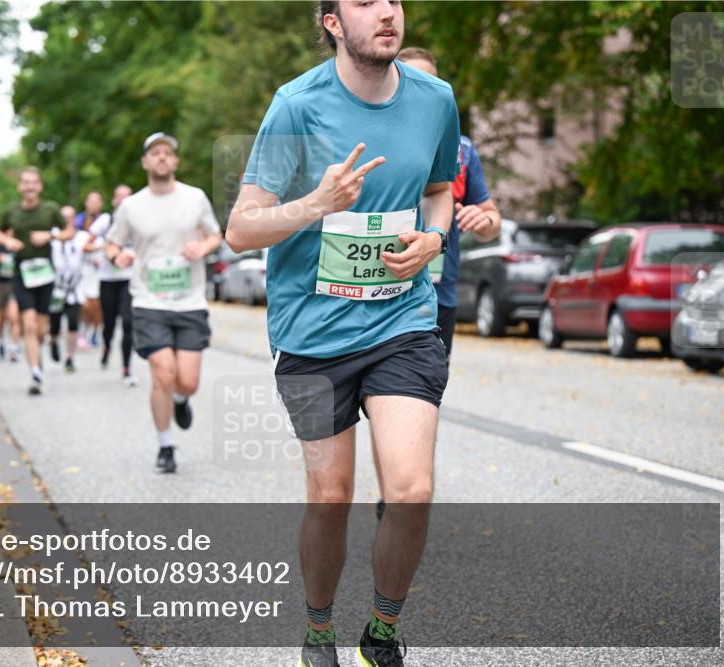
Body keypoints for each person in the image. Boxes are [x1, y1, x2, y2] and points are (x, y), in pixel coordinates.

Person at [225, 2, 460, 665]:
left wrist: (433, 237)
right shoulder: (296, 105)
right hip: (310, 331)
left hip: (402, 319)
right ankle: (318, 629)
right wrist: (316, 205)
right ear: (331, 22)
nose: (388, 12)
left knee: (410, 488)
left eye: (395, 0)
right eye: (365, 2)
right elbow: (242, 228)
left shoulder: (435, 100)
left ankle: (382, 632)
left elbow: (441, 188)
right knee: (330, 496)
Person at [106, 133, 222, 473]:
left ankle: (181, 398)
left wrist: (203, 247)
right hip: (148, 301)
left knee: (187, 380)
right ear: (145, 162)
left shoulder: (195, 197)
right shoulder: (131, 206)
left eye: (167, 153)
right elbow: (111, 245)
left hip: (190, 302)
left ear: (175, 162)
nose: (161, 157)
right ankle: (165, 446)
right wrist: (119, 257)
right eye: (154, 153)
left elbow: (215, 234)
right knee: (163, 372)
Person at [397, 47, 500, 364]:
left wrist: (484, 223)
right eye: (412, 81)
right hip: (388, 291)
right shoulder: (377, 137)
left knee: (426, 395)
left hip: (440, 295)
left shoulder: (462, 149)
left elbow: (492, 219)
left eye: (430, 82)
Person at [0, 166, 74, 395]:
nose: (29, 186)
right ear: (20, 187)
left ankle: (38, 354)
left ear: (39, 186)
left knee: (40, 329)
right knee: (27, 325)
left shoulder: (49, 209)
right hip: (22, 273)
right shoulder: (11, 211)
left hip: (45, 273)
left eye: (34, 182)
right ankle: (35, 373)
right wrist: (7, 242)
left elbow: (69, 231)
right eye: (25, 182)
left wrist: (50, 235)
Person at [91, 183, 138, 386]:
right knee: (109, 323)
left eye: (127, 196)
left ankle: (127, 368)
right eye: (119, 196)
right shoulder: (105, 220)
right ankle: (107, 345)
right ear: (113, 200)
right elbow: (87, 242)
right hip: (108, 280)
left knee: (128, 322)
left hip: (129, 279)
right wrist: (105, 249)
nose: (123, 200)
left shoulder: (139, 220)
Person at [49, 214, 92, 373]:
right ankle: (53, 342)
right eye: (63, 217)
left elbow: (92, 248)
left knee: (73, 322)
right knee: (55, 323)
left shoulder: (82, 237)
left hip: (75, 288)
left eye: (70, 217)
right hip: (56, 288)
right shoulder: (52, 236)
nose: (67, 220)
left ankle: (69, 357)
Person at [0, 223, 21, 362]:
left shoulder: (20, 247)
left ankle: (14, 347)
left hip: (15, 284)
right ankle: (1, 340)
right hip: (0, 284)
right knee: (3, 317)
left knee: (14, 317)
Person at [75, 192, 105, 349]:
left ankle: (95, 331)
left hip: (100, 271)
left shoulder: (106, 221)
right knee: (85, 304)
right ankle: (82, 330)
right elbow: (82, 246)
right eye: (90, 200)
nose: (93, 204)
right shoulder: (78, 221)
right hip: (82, 271)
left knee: (97, 304)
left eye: (96, 201)